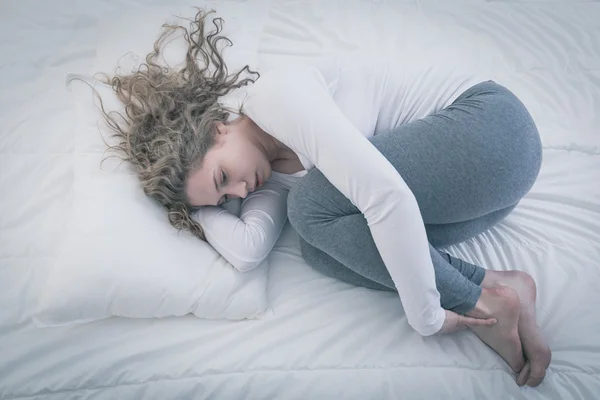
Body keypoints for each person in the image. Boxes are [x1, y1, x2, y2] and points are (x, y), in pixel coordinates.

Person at [94, 9, 551, 387]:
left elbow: (386, 194)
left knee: (310, 210)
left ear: (218, 129)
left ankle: (483, 303)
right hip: (476, 196)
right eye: (225, 198)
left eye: (223, 177)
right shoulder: (268, 178)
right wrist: (192, 210)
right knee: (317, 249)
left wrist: (429, 314)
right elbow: (248, 250)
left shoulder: (277, 96)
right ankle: (500, 284)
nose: (239, 192)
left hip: (492, 130)